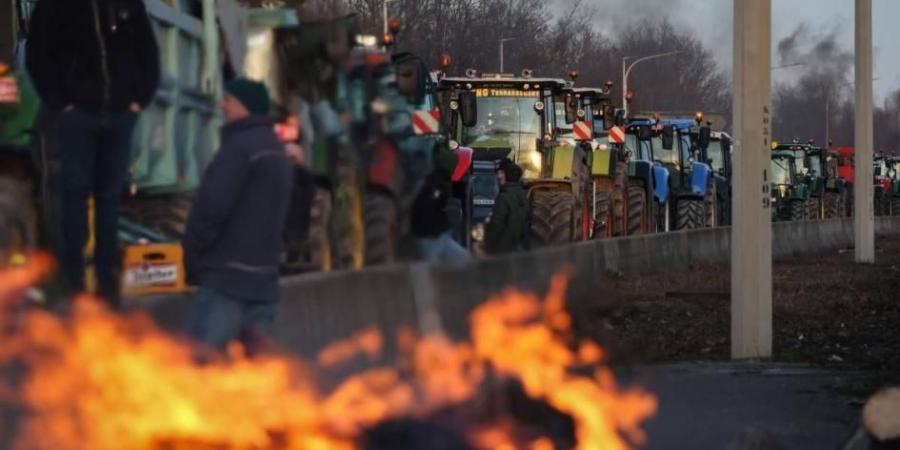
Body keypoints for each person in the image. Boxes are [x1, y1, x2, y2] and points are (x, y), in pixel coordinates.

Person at [25, 0, 160, 305]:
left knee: (109, 201)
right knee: (74, 198)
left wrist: (139, 98)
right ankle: (74, 285)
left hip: (119, 115)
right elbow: (37, 56)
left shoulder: (128, 4)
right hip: (78, 117)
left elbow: (148, 52)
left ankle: (106, 286)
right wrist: (61, 103)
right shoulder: (53, 7)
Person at [183, 78, 292, 351]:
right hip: (264, 285)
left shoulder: (239, 148)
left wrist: (193, 258)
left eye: (228, 99)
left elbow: (210, 208)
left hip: (226, 283)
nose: (222, 105)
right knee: (251, 378)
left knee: (201, 372)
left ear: (244, 106)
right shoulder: (277, 151)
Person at [411, 149, 470, 265]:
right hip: (430, 239)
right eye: (454, 165)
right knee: (429, 272)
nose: (456, 168)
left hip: (440, 237)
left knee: (464, 259)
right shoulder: (435, 185)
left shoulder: (440, 182)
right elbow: (426, 211)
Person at [484, 159, 527, 255]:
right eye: (497, 173)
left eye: (502, 173)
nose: (498, 176)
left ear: (509, 175)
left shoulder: (503, 198)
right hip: (520, 250)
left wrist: (487, 246)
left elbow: (496, 224)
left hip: (502, 251)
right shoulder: (524, 195)